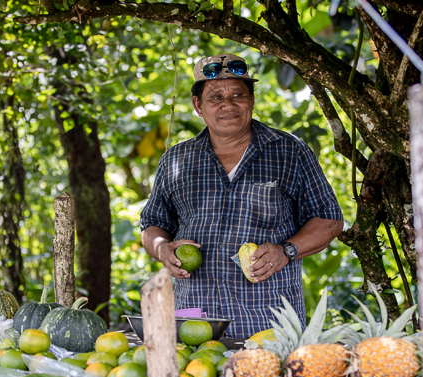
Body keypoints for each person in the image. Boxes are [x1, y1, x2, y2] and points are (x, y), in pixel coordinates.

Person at [140, 52, 344, 339]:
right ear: (198, 105)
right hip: (195, 321)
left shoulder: (290, 152)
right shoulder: (177, 159)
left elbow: (329, 220)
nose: (228, 105)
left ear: (252, 100)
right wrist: (162, 249)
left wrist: (285, 251)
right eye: (215, 97)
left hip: (268, 322)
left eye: (238, 94)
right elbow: (151, 224)